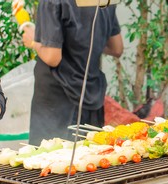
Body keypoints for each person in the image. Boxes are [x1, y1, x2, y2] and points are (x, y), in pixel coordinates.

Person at [21, 0, 123, 145]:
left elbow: (52, 57)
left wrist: (33, 41)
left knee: (49, 160)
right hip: (92, 96)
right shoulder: (106, 1)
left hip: (58, 102)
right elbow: (116, 48)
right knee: (90, 158)